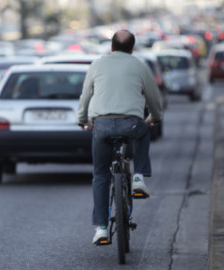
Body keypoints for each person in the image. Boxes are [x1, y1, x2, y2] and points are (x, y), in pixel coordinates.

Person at [77, 29, 163, 245]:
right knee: (143, 131)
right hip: (132, 123)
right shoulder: (140, 66)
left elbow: (86, 95)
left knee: (100, 175)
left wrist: (83, 119)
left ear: (112, 47)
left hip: (102, 125)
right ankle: (138, 178)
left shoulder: (97, 64)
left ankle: (102, 229)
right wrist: (154, 117)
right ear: (132, 49)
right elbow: (153, 97)